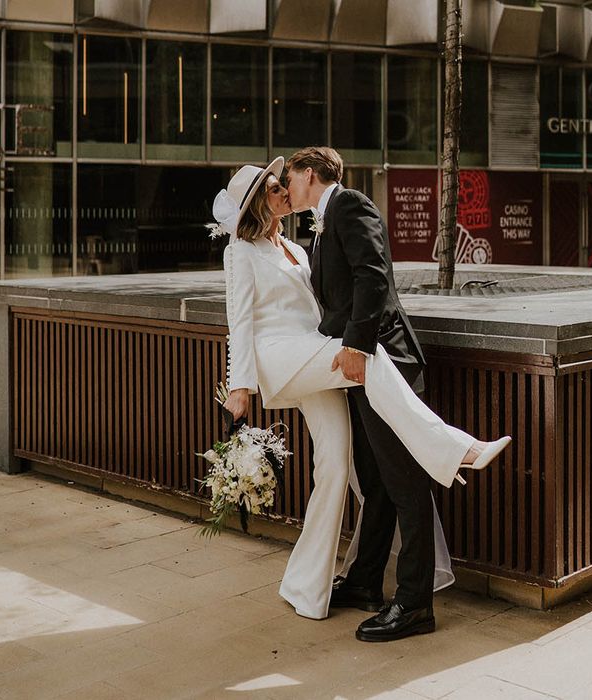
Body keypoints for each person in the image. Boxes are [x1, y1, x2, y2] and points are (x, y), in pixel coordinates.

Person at [213, 155, 511, 636]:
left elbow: (338, 298)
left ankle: (308, 587)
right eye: (273, 187)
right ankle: (459, 448)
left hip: (315, 353)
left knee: (334, 466)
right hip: (282, 357)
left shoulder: (296, 245)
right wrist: (241, 386)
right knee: (366, 359)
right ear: (256, 205)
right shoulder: (240, 253)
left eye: (283, 181)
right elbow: (239, 323)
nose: (283, 189)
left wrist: (343, 342)